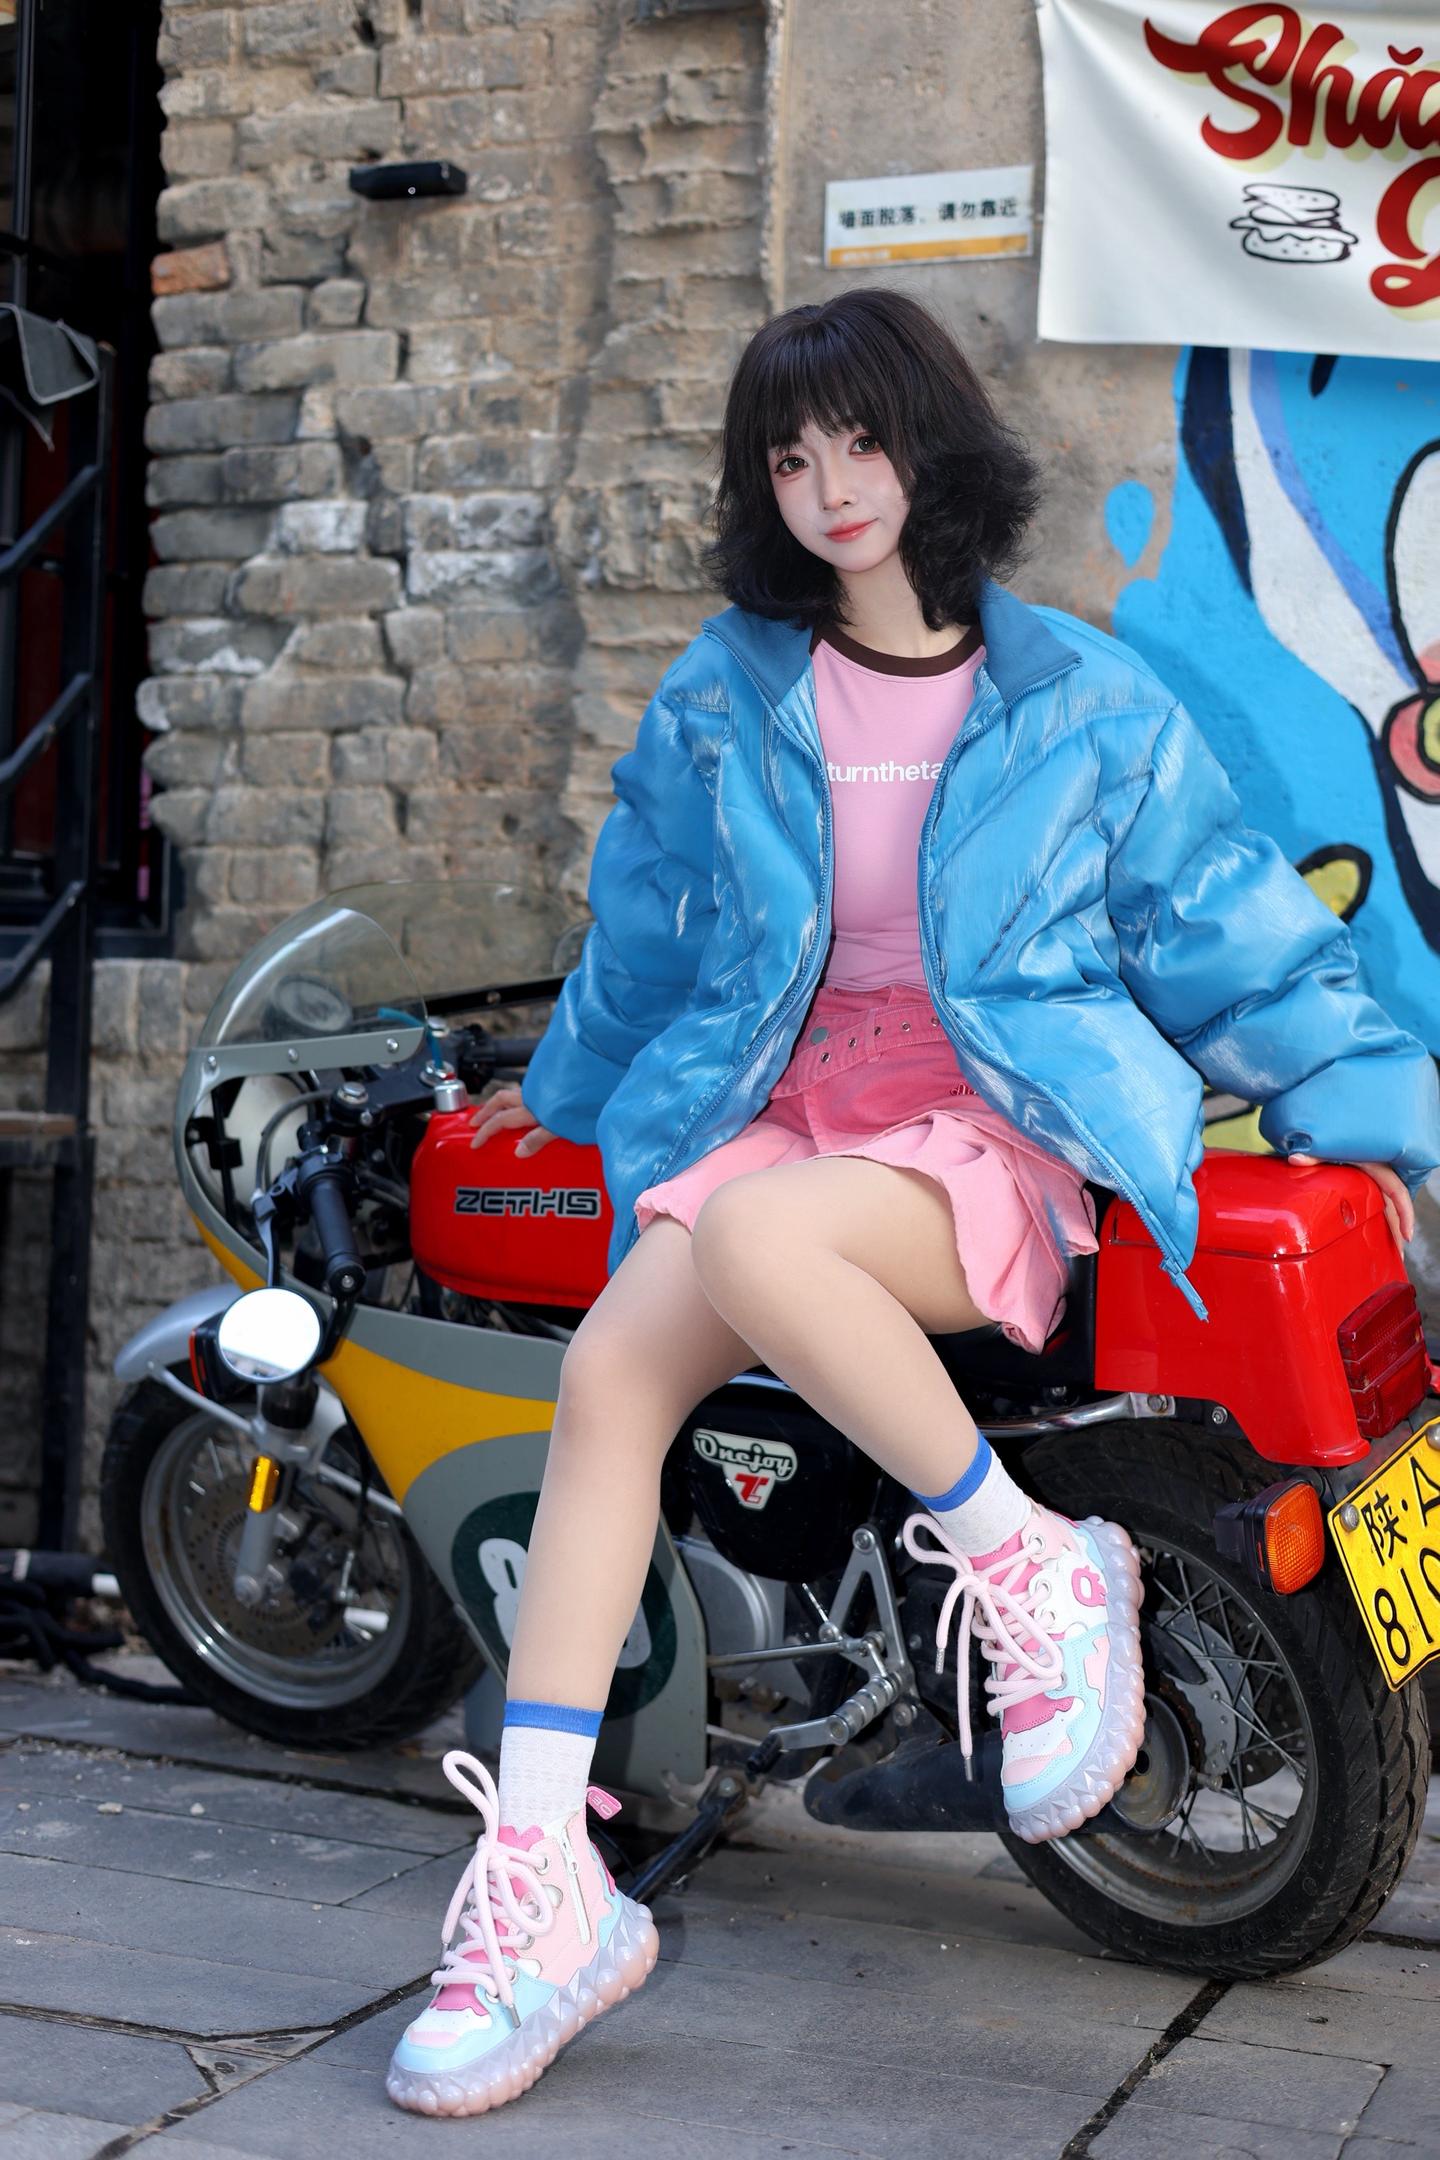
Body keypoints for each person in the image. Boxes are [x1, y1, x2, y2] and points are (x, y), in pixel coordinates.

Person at [385, 287, 1440, 2119]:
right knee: (612, 1378)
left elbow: (1231, 929)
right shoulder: (729, 689)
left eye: (861, 441)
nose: (831, 486)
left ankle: (1033, 1564)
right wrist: (557, 1100)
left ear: (930, 447)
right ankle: (544, 1880)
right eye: (790, 458)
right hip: (783, 1111)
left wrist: (1384, 1127)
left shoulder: (1083, 697)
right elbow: (651, 935)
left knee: (756, 1240)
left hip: (989, 1122)